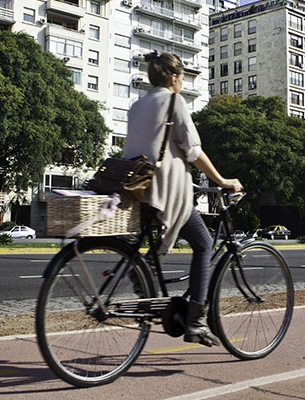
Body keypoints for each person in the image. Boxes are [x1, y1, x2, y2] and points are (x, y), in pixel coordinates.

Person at [123, 52, 242, 347]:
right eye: (183, 77)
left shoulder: (137, 105)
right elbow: (193, 151)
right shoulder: (175, 102)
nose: (182, 82)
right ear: (174, 78)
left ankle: (144, 275)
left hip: (137, 188)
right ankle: (196, 322)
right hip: (168, 190)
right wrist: (223, 181)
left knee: (152, 249)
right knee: (203, 243)